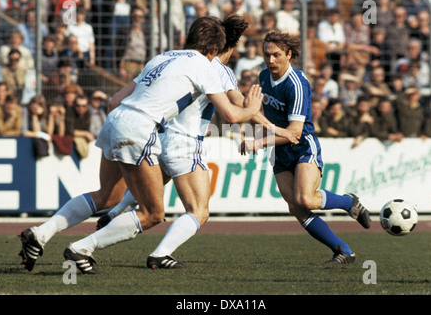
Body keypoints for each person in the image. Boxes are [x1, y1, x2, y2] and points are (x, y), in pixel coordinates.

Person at [18, 16, 264, 273]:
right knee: (153, 214)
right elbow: (231, 116)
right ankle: (82, 249)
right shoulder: (206, 66)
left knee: (107, 195)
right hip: (140, 128)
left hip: (116, 119)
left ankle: (40, 233)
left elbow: (114, 101)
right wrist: (253, 108)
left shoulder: (162, 57)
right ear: (214, 50)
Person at [70, 14, 296, 271]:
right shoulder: (218, 70)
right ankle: (158, 253)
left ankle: (115, 211)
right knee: (198, 210)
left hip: (158, 135)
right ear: (227, 48)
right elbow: (240, 107)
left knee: (155, 184)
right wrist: (275, 127)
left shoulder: (174, 59)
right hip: (186, 142)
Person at [240, 31, 371, 265]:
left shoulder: (297, 84)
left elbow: (294, 133)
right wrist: (251, 114)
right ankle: (343, 250)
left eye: (276, 55)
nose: (270, 60)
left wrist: (258, 141)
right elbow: (262, 117)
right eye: (267, 55)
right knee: (296, 207)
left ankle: (349, 203)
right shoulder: (263, 76)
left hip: (302, 147)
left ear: (289, 54)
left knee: (307, 200)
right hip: (279, 150)